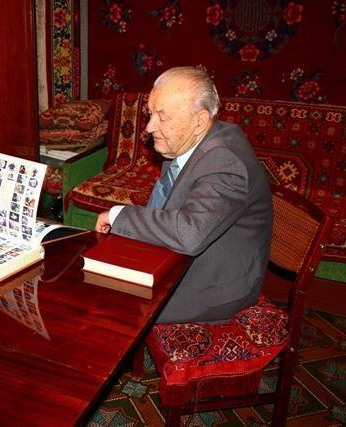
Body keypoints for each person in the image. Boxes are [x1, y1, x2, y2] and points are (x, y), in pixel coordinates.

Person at [95, 66, 273, 324]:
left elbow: (189, 234)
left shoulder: (224, 161)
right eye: (150, 114)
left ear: (199, 121)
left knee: (105, 307)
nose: (150, 127)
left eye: (162, 117)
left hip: (211, 288)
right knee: (99, 278)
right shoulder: (186, 143)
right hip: (187, 260)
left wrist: (118, 215)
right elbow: (166, 210)